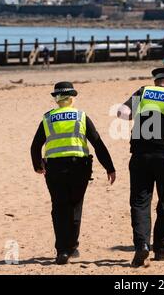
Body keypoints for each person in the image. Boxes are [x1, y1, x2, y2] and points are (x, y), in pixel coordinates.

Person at [31, 81, 116, 265]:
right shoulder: (81, 116)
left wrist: (37, 165)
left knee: (59, 207)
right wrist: (109, 167)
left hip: (54, 168)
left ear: (56, 98)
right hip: (79, 167)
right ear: (72, 98)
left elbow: (35, 145)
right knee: (75, 206)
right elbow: (97, 143)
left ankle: (62, 250)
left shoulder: (47, 118)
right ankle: (72, 246)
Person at [117, 67, 164, 267]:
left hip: (139, 156)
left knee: (140, 202)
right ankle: (161, 248)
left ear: (155, 81)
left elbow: (122, 113)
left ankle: (142, 246)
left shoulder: (142, 92)